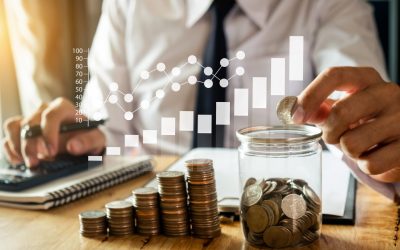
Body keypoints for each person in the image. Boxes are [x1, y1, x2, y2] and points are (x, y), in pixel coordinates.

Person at [2, 0, 400, 199]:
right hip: (155, 223)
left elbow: (362, 114)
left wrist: (380, 146)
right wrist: (76, 136)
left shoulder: (330, 5)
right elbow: (109, 130)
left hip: (275, 214)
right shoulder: (128, 6)